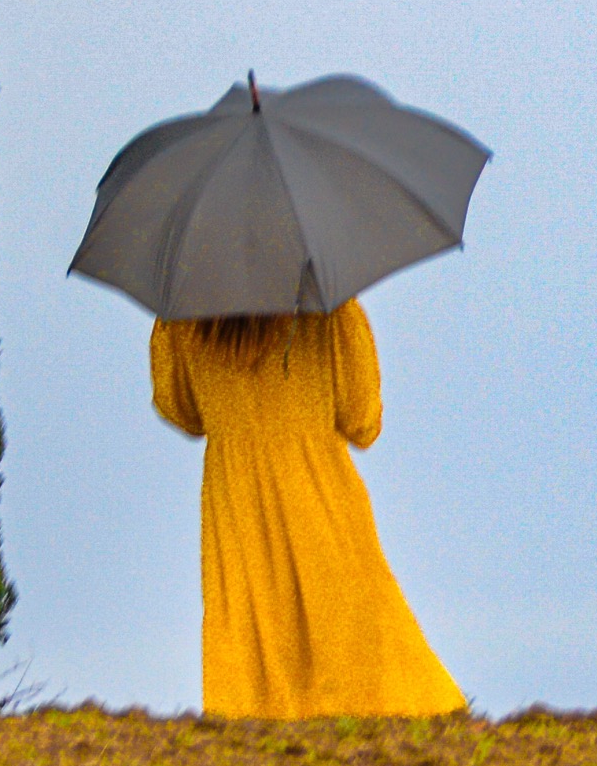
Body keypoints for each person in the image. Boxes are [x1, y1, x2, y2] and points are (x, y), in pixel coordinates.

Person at [149, 300, 467, 719]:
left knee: (251, 618)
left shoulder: (182, 323)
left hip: (234, 496)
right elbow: (361, 421)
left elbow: (183, 412)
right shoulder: (333, 314)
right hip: (319, 486)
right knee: (352, 610)